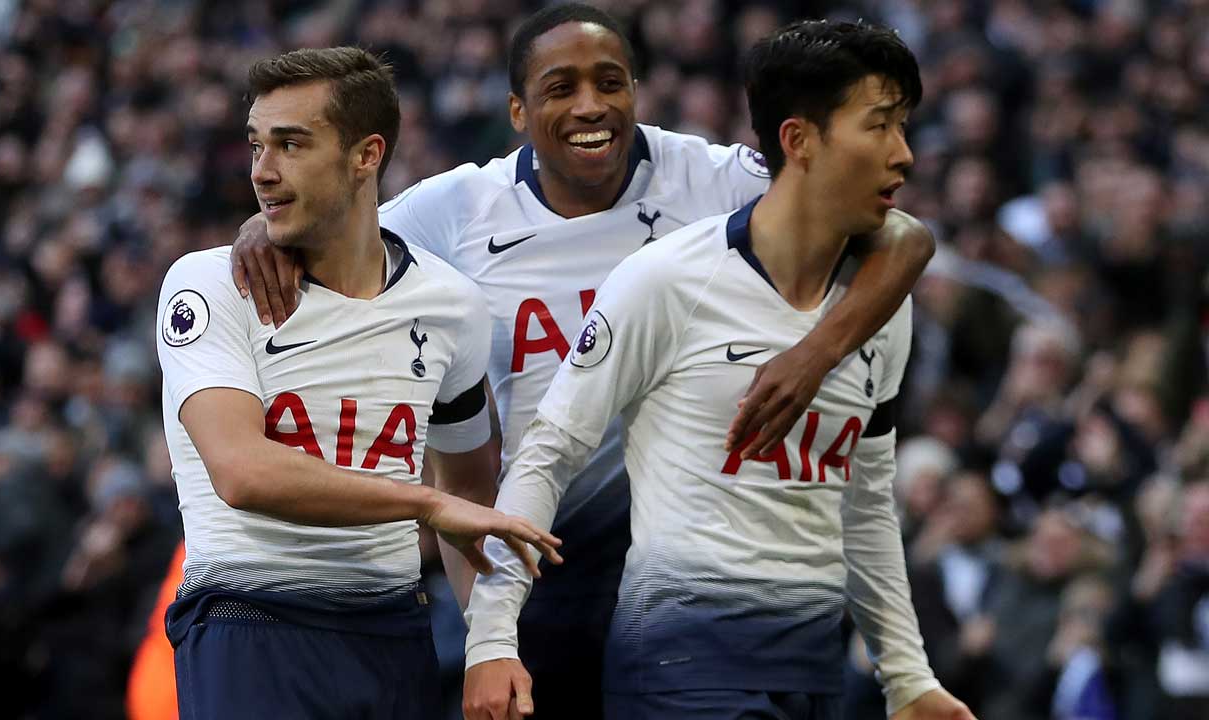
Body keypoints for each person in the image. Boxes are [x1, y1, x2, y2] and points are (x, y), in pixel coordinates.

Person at [231, 6, 935, 718]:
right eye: (561, 88)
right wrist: (264, 227)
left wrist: (816, 354)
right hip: (541, 548)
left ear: (636, 91)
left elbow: (902, 238)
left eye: (610, 82)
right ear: (517, 111)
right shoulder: (460, 208)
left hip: (687, 546)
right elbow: (339, 225)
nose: (591, 105)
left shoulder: (713, 179)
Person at [461, 20, 974, 720]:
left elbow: (865, 501)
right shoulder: (669, 279)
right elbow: (548, 453)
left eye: (903, 127)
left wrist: (907, 677)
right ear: (798, 140)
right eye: (879, 126)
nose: (904, 154)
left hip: (812, 667)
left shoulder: (881, 307)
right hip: (682, 661)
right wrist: (491, 638)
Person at [155, 46, 560, 720]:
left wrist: (491, 642)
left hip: (394, 630)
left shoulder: (451, 305)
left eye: (290, 145)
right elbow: (241, 471)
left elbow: (466, 490)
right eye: (256, 145)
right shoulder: (208, 284)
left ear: (366, 155)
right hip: (250, 620)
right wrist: (423, 504)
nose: (262, 170)